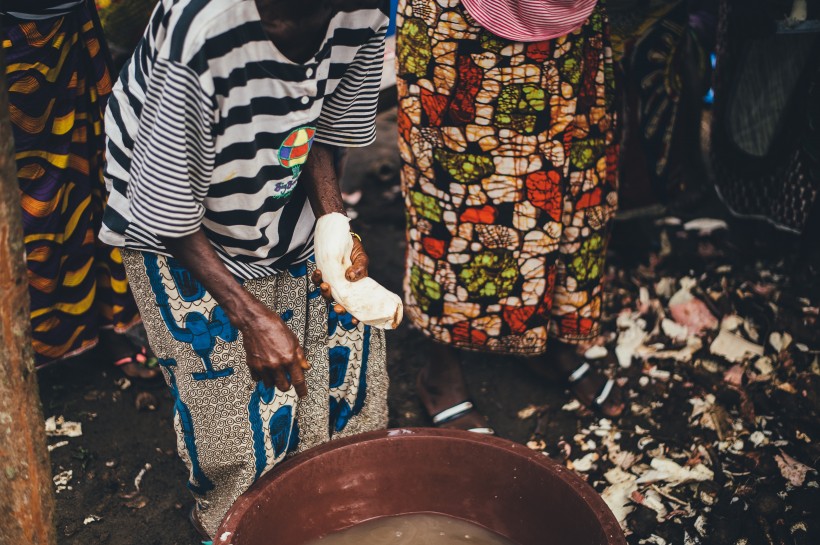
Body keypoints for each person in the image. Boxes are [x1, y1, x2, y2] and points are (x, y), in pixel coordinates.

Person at [99, 0, 390, 537]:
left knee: (342, 373)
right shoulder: (204, 30)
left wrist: (333, 224)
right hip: (180, 223)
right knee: (233, 414)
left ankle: (331, 512)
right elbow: (165, 204)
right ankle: (233, 525)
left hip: (284, 188)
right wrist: (252, 318)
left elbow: (322, 128)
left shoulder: (364, 14)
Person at [397, 0, 625, 432]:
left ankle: (551, 338)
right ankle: (440, 367)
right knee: (454, 194)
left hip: (568, 22)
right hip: (462, 24)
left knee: (573, 180)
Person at [2, 0, 159, 381]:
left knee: (87, 178)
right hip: (15, 43)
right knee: (21, 199)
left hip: (68, 28)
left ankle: (97, 327)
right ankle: (19, 351)